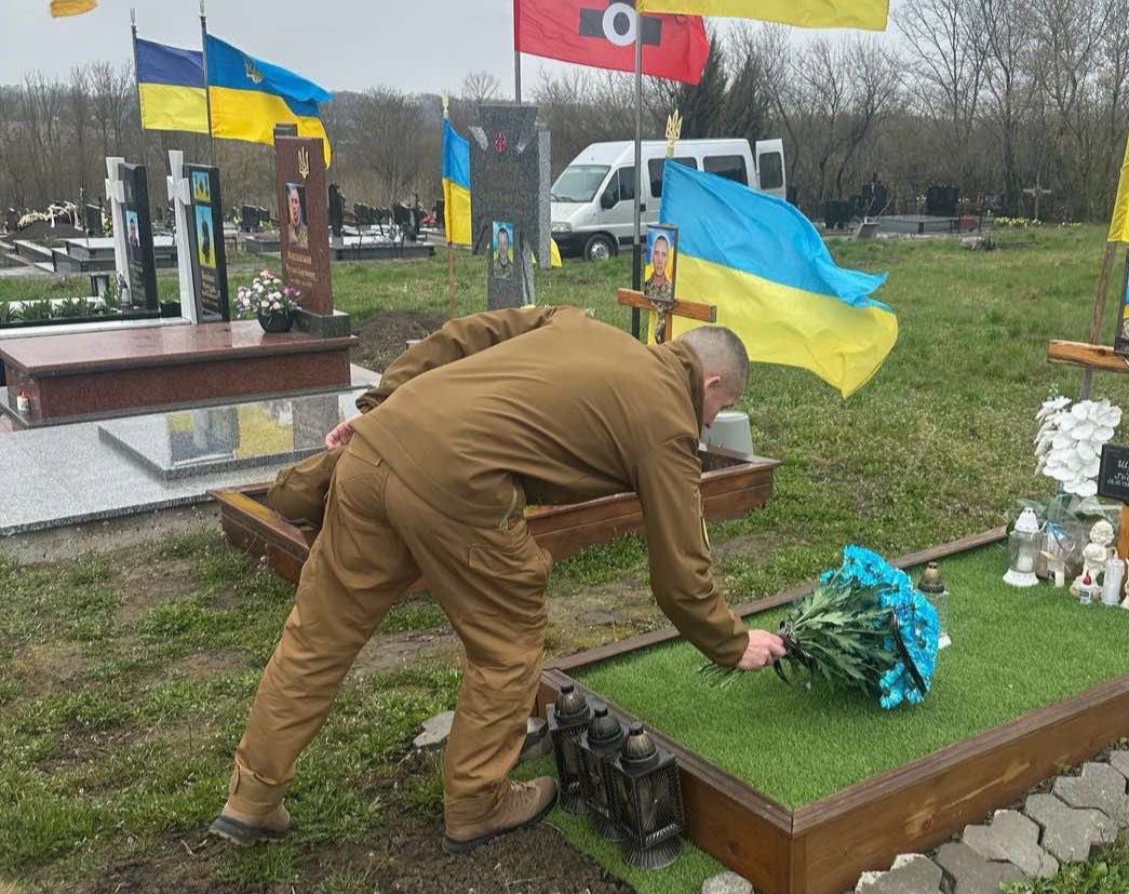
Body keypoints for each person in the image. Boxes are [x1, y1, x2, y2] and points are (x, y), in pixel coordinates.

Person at [209, 308, 784, 854]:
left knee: (319, 637)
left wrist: (380, 403)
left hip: (375, 448)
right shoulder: (668, 425)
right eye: (722, 407)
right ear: (710, 384)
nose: (712, 423)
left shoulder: (573, 321)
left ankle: (252, 796)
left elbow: (464, 333)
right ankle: (477, 803)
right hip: (459, 485)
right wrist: (732, 641)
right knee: (508, 643)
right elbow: (680, 575)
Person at [643, 233, 673, 299]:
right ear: (652, 257)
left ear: (667, 259)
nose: (659, 260)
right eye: (656, 253)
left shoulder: (672, 290)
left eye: (663, 254)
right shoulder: (645, 286)